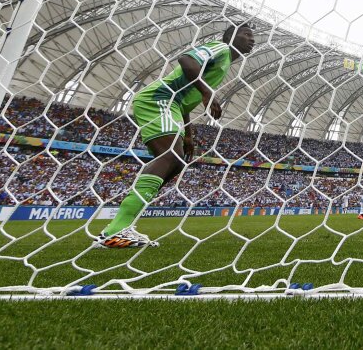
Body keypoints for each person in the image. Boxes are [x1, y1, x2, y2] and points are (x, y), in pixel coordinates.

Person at [95, 23, 255, 248]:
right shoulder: (219, 48)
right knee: (170, 157)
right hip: (160, 98)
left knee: (176, 162)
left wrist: (188, 135)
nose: (252, 39)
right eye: (246, 34)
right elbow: (186, 60)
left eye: (252, 35)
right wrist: (207, 92)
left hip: (173, 105)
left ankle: (121, 227)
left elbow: (184, 101)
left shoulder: (226, 62)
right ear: (230, 36)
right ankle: (115, 231)